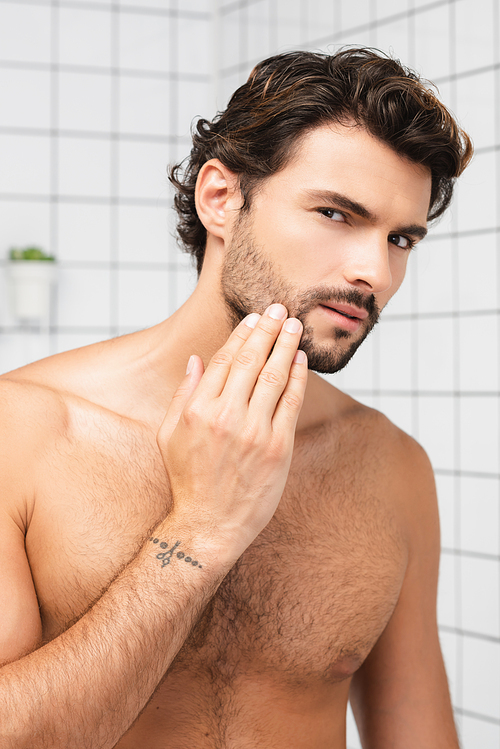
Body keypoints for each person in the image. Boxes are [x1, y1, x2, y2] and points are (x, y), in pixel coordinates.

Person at [0, 48, 472, 748]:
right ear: (221, 198)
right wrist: (200, 529)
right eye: (337, 214)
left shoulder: (393, 467)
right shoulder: (24, 430)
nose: (374, 271)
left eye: (400, 237)